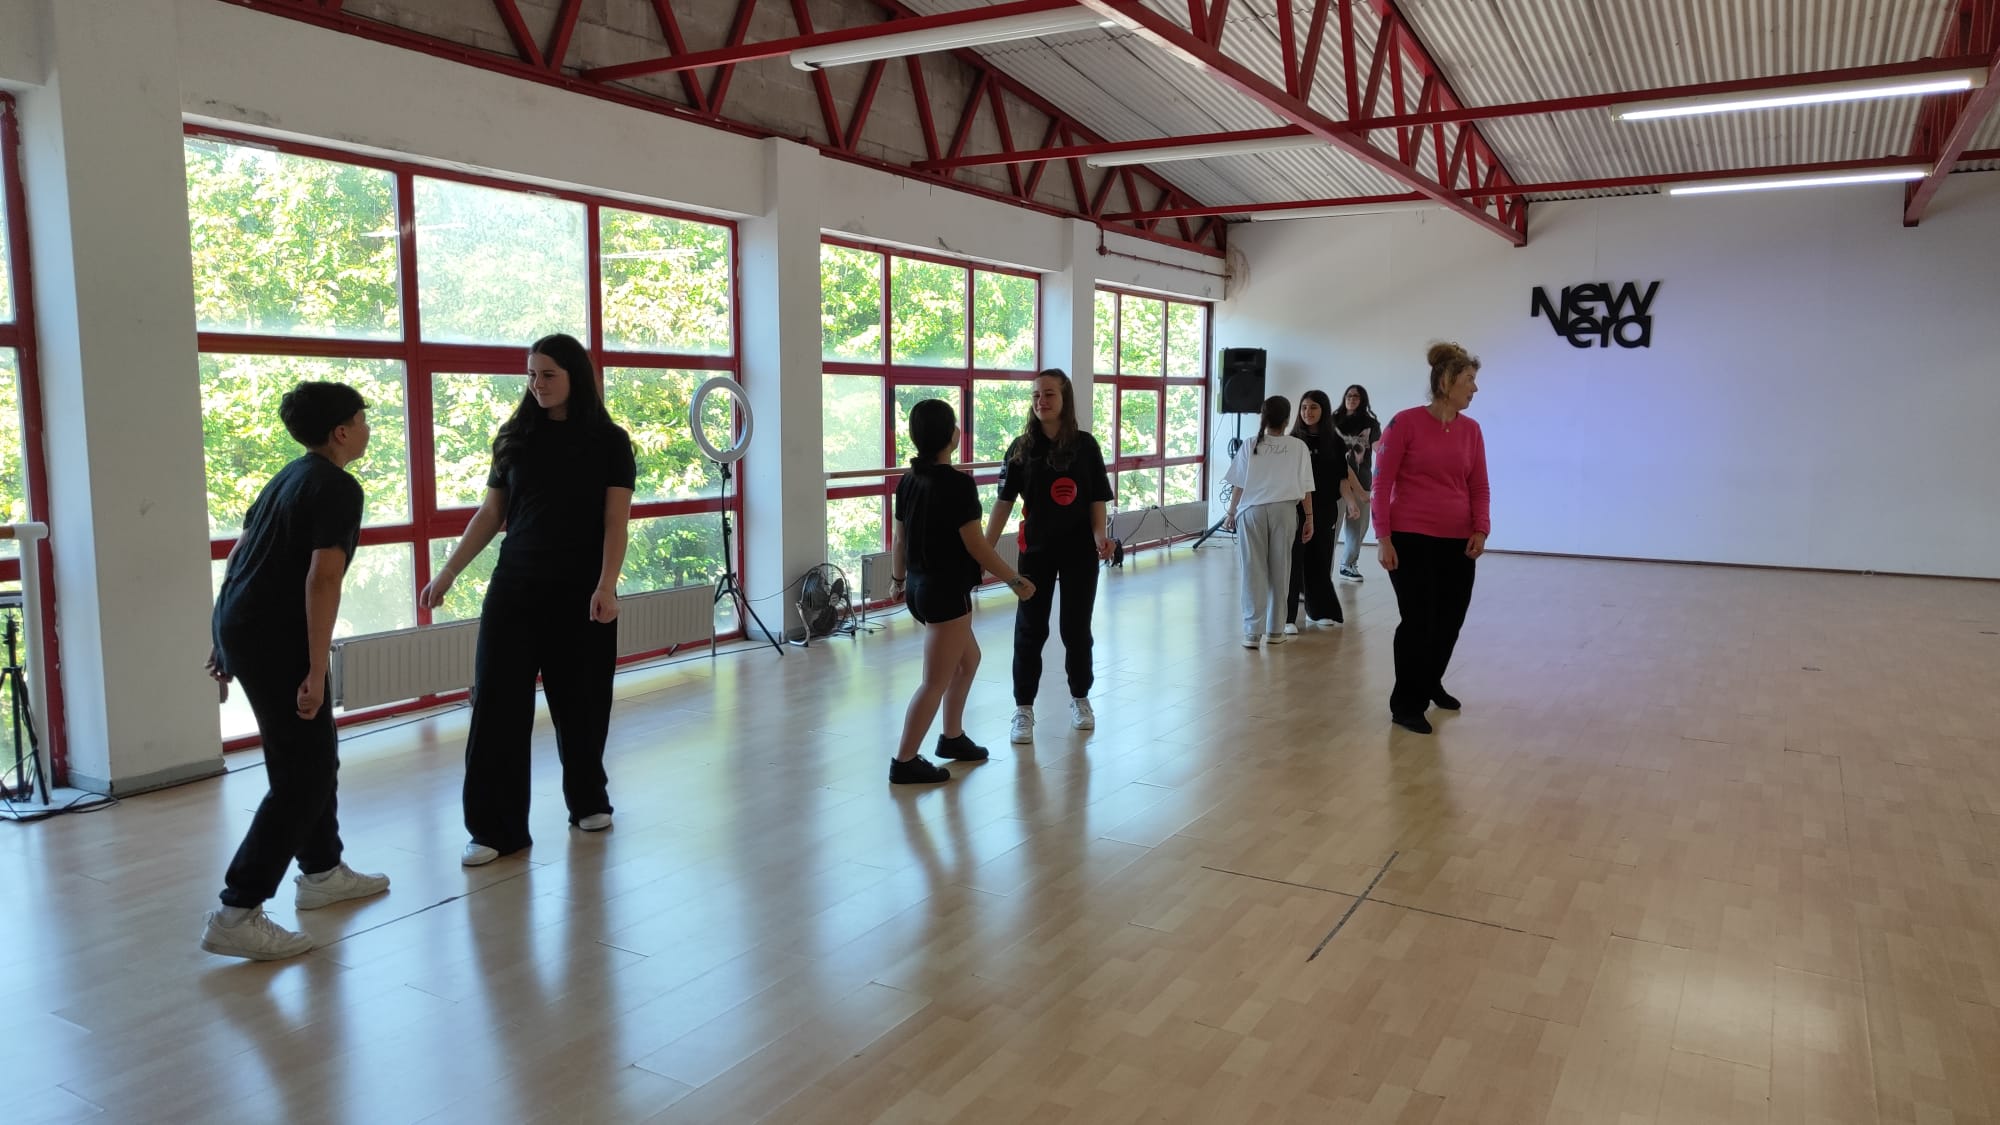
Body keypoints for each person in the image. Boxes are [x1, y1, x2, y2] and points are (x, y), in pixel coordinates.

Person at [421, 334, 635, 865]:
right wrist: (448, 571)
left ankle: (588, 799)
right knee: (496, 703)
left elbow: (616, 522)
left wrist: (606, 584)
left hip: (582, 592)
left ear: (575, 377)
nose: (537, 384)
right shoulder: (514, 437)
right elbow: (491, 514)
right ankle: (495, 830)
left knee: (582, 701)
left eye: (548, 374)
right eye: (532, 374)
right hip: (515, 587)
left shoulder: (609, 441)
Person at [201, 381, 389, 961]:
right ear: (341, 432)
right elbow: (322, 578)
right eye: (362, 419)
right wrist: (314, 667)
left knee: (311, 755)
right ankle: (237, 910)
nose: (367, 428)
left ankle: (323, 871)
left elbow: (240, 557)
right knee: (301, 775)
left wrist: (221, 634)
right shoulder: (337, 487)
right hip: (275, 638)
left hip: (247, 626)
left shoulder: (288, 476)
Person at [890, 399, 1037, 784]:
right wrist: (1014, 580)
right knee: (934, 681)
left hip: (919, 589)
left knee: (967, 660)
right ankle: (904, 760)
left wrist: (897, 579)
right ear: (951, 435)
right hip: (945, 593)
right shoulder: (957, 485)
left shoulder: (907, 481)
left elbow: (899, 540)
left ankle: (952, 737)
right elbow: (977, 546)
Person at [985, 369, 1113, 745]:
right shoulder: (1021, 448)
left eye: (1049, 394)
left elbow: (1096, 499)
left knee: (1076, 629)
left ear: (1064, 399)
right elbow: (1003, 503)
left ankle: (1081, 698)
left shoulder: (1086, 446)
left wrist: (1100, 536)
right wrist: (984, 548)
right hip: (1036, 553)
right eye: (1036, 395)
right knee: (1030, 630)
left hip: (1079, 553)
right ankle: (1023, 708)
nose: (1041, 401)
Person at [1373, 343, 1490, 734]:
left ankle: (1429, 681)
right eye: (1469, 380)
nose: (1475, 388)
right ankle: (1407, 705)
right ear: (1446, 382)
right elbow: (1381, 483)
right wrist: (1383, 537)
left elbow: (1479, 485)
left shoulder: (1472, 430)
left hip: (1457, 541)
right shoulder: (1404, 423)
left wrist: (1481, 528)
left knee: (1449, 620)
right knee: (1418, 622)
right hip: (1410, 539)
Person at [1222, 396, 1317, 649]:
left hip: (1251, 512)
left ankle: (1252, 633)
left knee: (1252, 571)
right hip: (1284, 511)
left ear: (1263, 417)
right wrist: (1309, 518)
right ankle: (1276, 630)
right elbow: (1306, 489)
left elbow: (1239, 484)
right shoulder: (1298, 447)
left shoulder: (1250, 444)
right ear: (1287, 419)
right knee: (1281, 570)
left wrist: (1231, 513)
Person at [1285, 389, 1362, 633]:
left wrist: (1351, 501)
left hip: (1325, 507)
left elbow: (1342, 478)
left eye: (1313, 407)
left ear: (1324, 410)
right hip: (1296, 508)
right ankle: (1286, 617)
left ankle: (1318, 610)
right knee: (1293, 560)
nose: (1307, 412)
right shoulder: (1293, 441)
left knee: (1320, 557)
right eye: (1304, 407)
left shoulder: (1334, 442)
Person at [1332, 383, 1382, 581]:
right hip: (1336, 481)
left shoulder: (1371, 423)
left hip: (1362, 480)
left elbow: (1378, 445)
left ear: (1363, 400)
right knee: (1332, 526)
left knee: (1358, 526)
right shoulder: (1333, 420)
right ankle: (1324, 567)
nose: (1352, 399)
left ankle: (1348, 564)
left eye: (1356, 396)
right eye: (1349, 395)